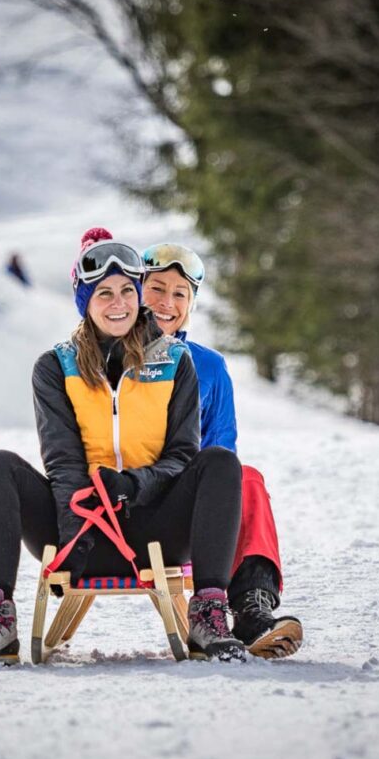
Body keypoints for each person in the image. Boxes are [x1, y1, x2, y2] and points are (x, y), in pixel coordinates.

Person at [0, 228, 247, 665]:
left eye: (128, 291)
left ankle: (208, 614)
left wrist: (131, 485)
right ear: (85, 302)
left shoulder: (175, 362)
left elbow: (181, 458)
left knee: (220, 462)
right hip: (79, 530)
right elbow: (63, 461)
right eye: (104, 293)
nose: (119, 303)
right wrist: (76, 535)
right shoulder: (55, 367)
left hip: (157, 526)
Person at [139, 243, 302, 657]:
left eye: (180, 294)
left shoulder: (208, 367)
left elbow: (221, 456)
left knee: (244, 477)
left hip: (184, 518)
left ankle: (252, 605)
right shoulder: (97, 356)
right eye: (156, 288)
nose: (167, 302)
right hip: (115, 509)